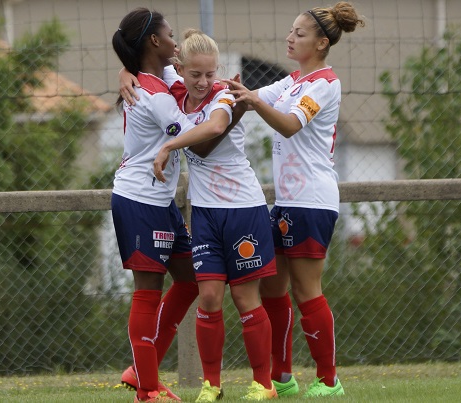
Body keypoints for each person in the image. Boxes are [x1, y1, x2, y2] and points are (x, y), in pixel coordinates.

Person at [222, 2, 365, 398]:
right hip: (287, 201)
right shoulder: (291, 81)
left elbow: (287, 123)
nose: (290, 37)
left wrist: (252, 101)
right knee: (273, 288)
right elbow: (249, 95)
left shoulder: (324, 83)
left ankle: (328, 380)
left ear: (321, 43)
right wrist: (209, 84)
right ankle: (283, 378)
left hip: (312, 200)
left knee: (307, 291)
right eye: (291, 31)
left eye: (299, 34)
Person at [110, 8, 245, 403]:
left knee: (188, 281)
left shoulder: (159, 76)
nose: (176, 41)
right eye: (170, 35)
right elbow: (201, 142)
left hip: (160, 201)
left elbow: (187, 79)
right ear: (155, 41)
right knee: (147, 291)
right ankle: (147, 390)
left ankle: (141, 370)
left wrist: (124, 69)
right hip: (139, 200)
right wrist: (232, 112)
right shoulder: (154, 96)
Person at [150, 29, 278, 402]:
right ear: (181, 70)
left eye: (210, 73)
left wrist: (170, 143)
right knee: (207, 297)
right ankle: (211, 385)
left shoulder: (223, 95)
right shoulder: (176, 91)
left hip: (243, 209)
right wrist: (125, 74)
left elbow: (217, 126)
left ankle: (263, 384)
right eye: (195, 75)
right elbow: (149, 68)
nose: (204, 82)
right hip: (204, 214)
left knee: (244, 299)